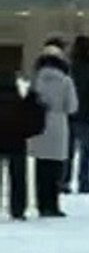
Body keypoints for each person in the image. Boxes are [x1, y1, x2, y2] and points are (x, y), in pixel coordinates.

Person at [27, 44, 77, 218]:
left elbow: (30, 100)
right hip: (58, 125)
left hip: (38, 124)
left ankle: (41, 204)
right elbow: (72, 106)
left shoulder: (36, 79)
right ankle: (52, 204)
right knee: (55, 168)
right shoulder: (65, 80)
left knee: (40, 168)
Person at [64, 35, 89, 194]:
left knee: (68, 151)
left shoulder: (68, 67)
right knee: (86, 152)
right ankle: (84, 182)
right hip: (86, 114)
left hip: (69, 114)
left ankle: (64, 181)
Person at [0, 70, 42, 220]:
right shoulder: (20, 102)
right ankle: (18, 209)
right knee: (18, 178)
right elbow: (31, 122)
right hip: (17, 143)